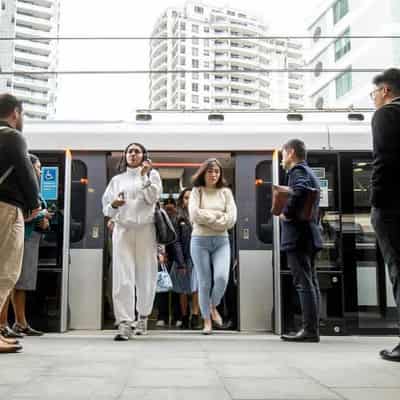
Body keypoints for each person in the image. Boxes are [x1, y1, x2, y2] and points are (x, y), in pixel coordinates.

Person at [102, 142, 162, 341]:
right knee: (123, 277)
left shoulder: (153, 176)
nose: (133, 154)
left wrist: (144, 176)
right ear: (125, 156)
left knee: (146, 275)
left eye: (137, 151)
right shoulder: (117, 180)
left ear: (144, 155)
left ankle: (143, 315)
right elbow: (106, 209)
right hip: (123, 230)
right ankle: (125, 323)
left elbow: (152, 197)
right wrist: (114, 204)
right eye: (129, 151)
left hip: (146, 230)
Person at [0, 93, 40, 353]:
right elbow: (25, 171)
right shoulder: (12, 136)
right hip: (6, 208)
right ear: (15, 112)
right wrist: (34, 203)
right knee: (6, 272)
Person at [0, 154, 50, 338]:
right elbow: (18, 216)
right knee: (8, 280)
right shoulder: (18, 190)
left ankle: (21, 323)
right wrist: (40, 215)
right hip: (19, 237)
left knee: (21, 285)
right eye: (38, 167)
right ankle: (2, 324)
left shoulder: (34, 190)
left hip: (31, 238)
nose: (40, 171)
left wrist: (43, 220)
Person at [369, 68, 400, 362]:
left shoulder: (386, 115)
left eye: (374, 93)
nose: (374, 99)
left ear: (386, 91)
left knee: (399, 271)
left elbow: (384, 161)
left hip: (392, 207)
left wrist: (376, 203)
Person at [279, 139, 323, 343]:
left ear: (291, 152)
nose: (282, 158)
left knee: (303, 283)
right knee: (310, 282)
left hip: (298, 236)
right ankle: (312, 328)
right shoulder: (308, 171)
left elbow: (301, 191)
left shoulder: (298, 172)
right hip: (309, 235)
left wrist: (286, 212)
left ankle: (309, 330)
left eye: (283, 154)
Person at [189, 158, 237, 334]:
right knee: (204, 282)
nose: (214, 174)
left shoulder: (226, 192)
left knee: (222, 278)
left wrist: (207, 218)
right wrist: (218, 217)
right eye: (210, 171)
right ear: (203, 173)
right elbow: (194, 215)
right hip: (199, 241)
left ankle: (211, 305)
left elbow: (231, 220)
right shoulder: (197, 191)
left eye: (216, 171)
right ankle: (207, 321)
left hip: (221, 241)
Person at [169, 188, 201, 329]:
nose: (189, 200)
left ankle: (195, 316)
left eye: (191, 197)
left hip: (198, 258)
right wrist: (181, 262)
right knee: (183, 290)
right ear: (182, 200)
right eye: (186, 198)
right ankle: (184, 316)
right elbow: (175, 241)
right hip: (183, 258)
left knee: (196, 288)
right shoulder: (177, 217)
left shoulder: (200, 216)